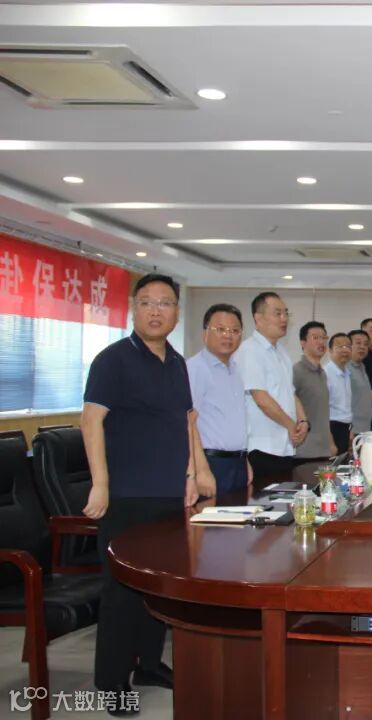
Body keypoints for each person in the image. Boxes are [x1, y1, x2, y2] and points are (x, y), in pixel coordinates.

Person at [82, 273, 199, 710]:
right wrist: (101, 484)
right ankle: (112, 682)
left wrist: (191, 475)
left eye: (165, 303)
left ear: (176, 312)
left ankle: (149, 663)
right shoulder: (112, 360)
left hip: (168, 494)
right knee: (121, 592)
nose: (156, 311)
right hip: (126, 496)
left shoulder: (177, 362)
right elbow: (90, 421)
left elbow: (185, 422)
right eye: (147, 302)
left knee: (159, 586)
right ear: (133, 308)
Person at [235, 291, 307, 483]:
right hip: (262, 447)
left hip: (284, 446)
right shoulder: (249, 350)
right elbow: (262, 399)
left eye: (286, 313)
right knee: (262, 500)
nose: (284, 319)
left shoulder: (281, 352)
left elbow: (290, 393)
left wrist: (303, 421)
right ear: (258, 318)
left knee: (283, 499)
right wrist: (291, 426)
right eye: (278, 313)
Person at [187, 303, 251, 495]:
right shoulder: (195, 368)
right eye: (220, 329)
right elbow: (188, 422)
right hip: (211, 464)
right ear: (205, 333)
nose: (228, 335)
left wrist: (244, 459)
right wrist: (201, 471)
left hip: (237, 464)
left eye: (235, 330)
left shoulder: (235, 369)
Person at [293, 321, 335, 459]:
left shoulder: (322, 373)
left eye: (324, 338)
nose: (321, 342)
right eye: (315, 338)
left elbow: (322, 413)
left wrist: (330, 442)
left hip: (323, 450)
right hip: (304, 451)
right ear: (303, 343)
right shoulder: (296, 371)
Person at [325, 332, 353, 455]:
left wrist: (350, 430)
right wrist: (329, 440)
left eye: (348, 346)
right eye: (340, 346)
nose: (345, 350)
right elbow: (322, 410)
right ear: (330, 350)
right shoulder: (326, 373)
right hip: (332, 428)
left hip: (345, 427)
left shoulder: (347, 373)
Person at [347, 329, 372, 442]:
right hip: (351, 431)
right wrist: (348, 429)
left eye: (366, 344)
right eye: (358, 343)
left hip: (365, 428)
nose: (362, 347)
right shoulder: (344, 368)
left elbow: (366, 392)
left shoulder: (362, 367)